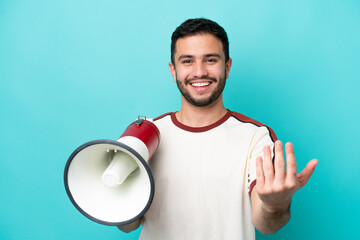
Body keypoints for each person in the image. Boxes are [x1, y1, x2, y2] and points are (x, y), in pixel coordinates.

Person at [118, 18, 318, 239]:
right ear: (173, 70)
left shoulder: (256, 136)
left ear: (227, 67)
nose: (200, 71)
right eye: (187, 61)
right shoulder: (149, 134)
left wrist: (275, 204)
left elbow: (266, 225)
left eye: (210, 59)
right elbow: (128, 225)